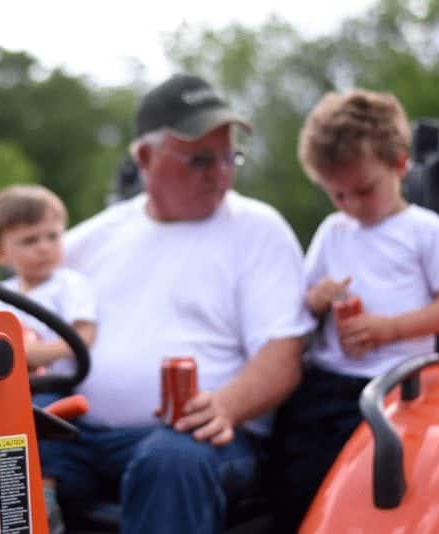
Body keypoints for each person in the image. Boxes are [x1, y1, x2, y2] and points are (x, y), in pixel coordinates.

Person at [37, 73, 316, 533]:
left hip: (211, 438)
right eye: (201, 160)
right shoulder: (91, 241)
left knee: (170, 459)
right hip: (84, 434)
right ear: (145, 158)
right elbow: (21, 312)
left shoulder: (258, 230)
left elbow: (282, 358)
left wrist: (225, 405)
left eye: (230, 157)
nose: (221, 173)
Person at [271, 88, 439, 531]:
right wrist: (318, 297)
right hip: (325, 383)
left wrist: (389, 329)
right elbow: (305, 297)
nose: (352, 206)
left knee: (360, 487)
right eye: (338, 194)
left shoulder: (425, 231)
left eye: (363, 190)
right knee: (296, 478)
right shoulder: (333, 231)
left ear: (399, 165)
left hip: (396, 387)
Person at [0, 184, 98, 534]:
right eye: (30, 241)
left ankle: (43, 497)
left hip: (58, 389)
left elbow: (83, 338)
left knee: (44, 416)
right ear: (2, 253)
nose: (44, 247)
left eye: (52, 236)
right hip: (11, 393)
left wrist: (29, 354)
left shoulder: (70, 286)